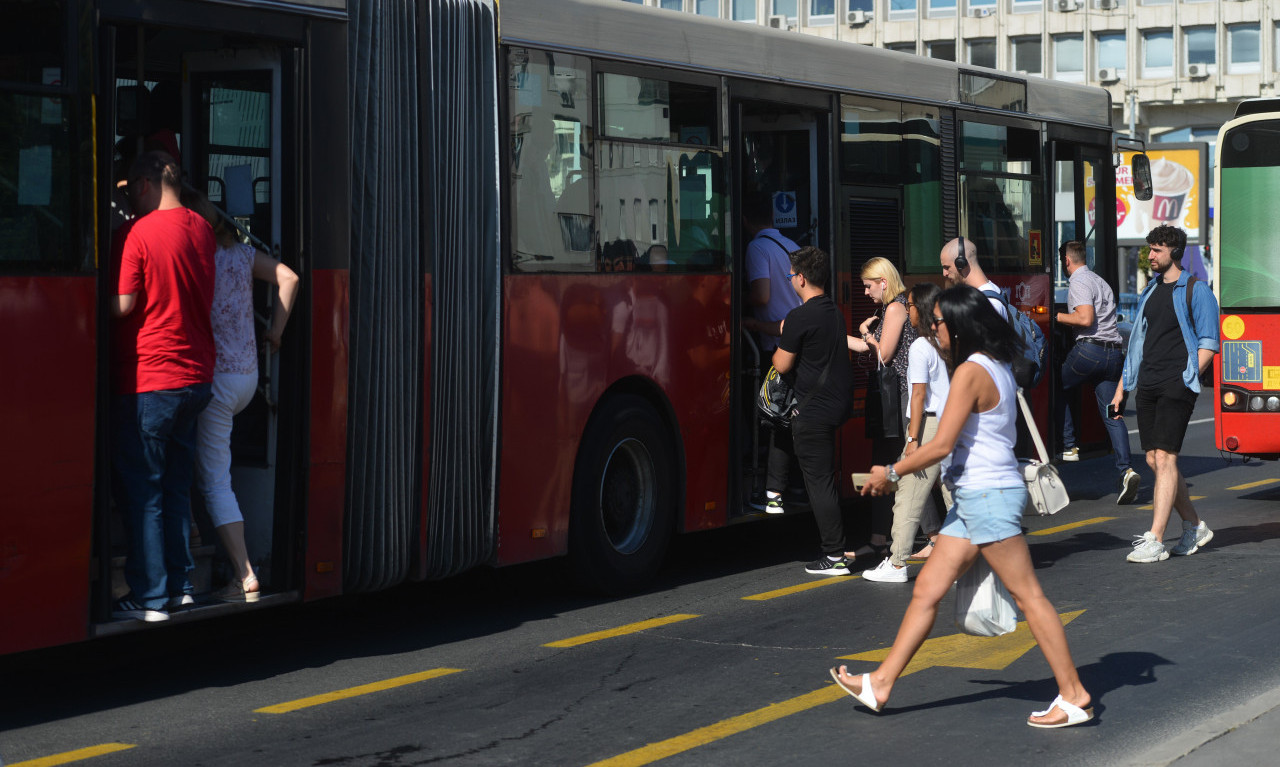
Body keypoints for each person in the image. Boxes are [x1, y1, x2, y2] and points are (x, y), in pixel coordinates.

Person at [832, 285, 1093, 728]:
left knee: (1029, 597)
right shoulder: (994, 364)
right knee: (927, 590)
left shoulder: (973, 370)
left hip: (988, 497)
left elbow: (942, 444)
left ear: (958, 325)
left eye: (936, 323)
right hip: (975, 498)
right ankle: (881, 682)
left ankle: (1074, 695)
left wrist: (890, 473)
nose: (932, 330)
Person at [110, 151, 216, 622]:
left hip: (151, 376)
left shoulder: (139, 232)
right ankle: (181, 586)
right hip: (196, 377)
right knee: (175, 489)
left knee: (145, 491)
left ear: (144, 184)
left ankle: (149, 596)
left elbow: (122, 304)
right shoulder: (202, 227)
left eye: (132, 189)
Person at [184, 189, 299, 602]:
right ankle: (197, 531)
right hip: (248, 377)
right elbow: (290, 277)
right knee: (209, 463)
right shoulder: (242, 256)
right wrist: (275, 332)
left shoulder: (198, 260)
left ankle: (244, 572)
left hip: (215, 380)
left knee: (214, 478)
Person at [1110, 225, 1220, 564]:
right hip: (1148, 382)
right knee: (1154, 460)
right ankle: (1194, 525)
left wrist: (1188, 375)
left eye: (1156, 249)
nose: (1151, 255)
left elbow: (1210, 341)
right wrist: (1121, 390)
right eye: (1150, 249)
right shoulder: (1150, 291)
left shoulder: (1196, 290)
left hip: (1176, 383)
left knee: (1167, 458)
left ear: (1173, 251)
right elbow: (1137, 346)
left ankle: (1155, 538)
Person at [771, 246, 855, 574]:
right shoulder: (833, 311)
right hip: (835, 405)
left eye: (791, 275)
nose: (791, 280)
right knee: (823, 477)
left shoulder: (799, 316)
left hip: (813, 411)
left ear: (801, 278)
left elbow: (781, 363)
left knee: (819, 483)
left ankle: (833, 555)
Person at [862, 282, 951, 582]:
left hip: (927, 425)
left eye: (910, 306)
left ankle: (897, 562)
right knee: (954, 496)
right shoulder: (947, 341)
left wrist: (912, 439)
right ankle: (965, 560)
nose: (906, 310)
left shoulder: (920, 346)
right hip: (953, 423)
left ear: (920, 309)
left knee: (909, 495)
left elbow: (917, 396)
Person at [1054, 241, 1140, 505]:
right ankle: (1126, 470)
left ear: (1067, 262)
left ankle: (1069, 446)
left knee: (1057, 385)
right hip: (1113, 354)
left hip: (1089, 352)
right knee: (1112, 413)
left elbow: (1084, 319)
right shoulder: (1100, 281)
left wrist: (1054, 316)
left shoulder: (1078, 282)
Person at [847, 257, 916, 559]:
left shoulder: (896, 308)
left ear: (883, 282)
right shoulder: (889, 309)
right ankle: (878, 537)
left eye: (868, 286)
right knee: (883, 462)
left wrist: (865, 334)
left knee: (903, 465)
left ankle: (936, 535)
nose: (864, 292)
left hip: (899, 397)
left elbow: (884, 354)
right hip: (888, 398)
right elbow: (867, 347)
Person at [742, 193, 802, 513]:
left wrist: (741, 305)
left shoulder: (756, 247)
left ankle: (766, 489)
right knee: (793, 415)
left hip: (774, 346)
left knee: (771, 417)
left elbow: (762, 296)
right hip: (801, 342)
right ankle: (795, 484)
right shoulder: (792, 246)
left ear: (745, 221)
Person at [940, 236, 1006, 319]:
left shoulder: (989, 303)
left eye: (947, 267)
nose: (944, 273)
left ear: (961, 263)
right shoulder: (984, 297)